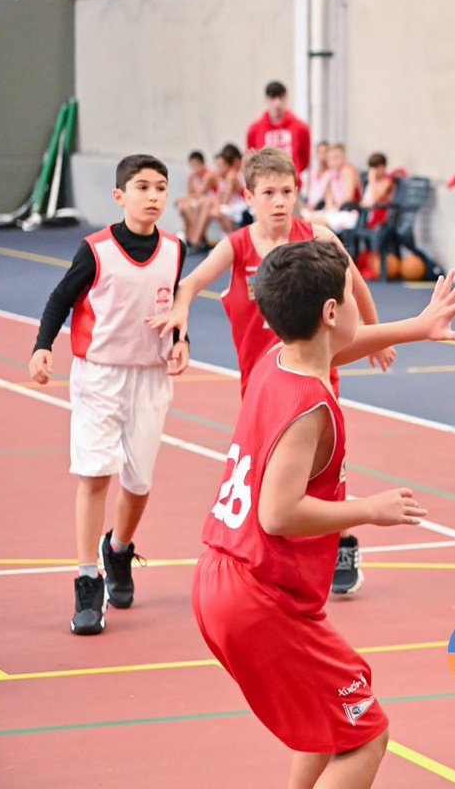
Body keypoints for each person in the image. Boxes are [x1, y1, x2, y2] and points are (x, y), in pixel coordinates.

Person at [192, 240, 455, 789]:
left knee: (331, 724)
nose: (354, 307)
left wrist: (417, 327)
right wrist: (369, 509)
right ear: (329, 312)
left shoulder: (279, 359)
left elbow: (336, 348)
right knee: (366, 735)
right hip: (258, 596)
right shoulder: (309, 409)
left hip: (226, 579)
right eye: (349, 296)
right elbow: (278, 514)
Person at [150, 147, 395, 596]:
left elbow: (356, 284)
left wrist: (377, 333)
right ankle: (276, 550)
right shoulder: (237, 246)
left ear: (297, 192)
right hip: (262, 383)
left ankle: (342, 540)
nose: (279, 201)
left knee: (323, 470)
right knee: (270, 474)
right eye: (268, 193)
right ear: (248, 197)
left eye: (286, 191)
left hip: (316, 375)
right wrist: (180, 317)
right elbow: (190, 283)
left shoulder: (317, 237)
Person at [28, 154, 191, 635]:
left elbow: (174, 306)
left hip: (151, 377)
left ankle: (118, 548)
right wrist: (42, 346)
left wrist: (181, 341)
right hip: (99, 376)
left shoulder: (175, 249)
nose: (153, 196)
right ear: (120, 196)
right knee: (96, 474)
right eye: (142, 187)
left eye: (160, 187)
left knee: (138, 483)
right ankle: (87, 580)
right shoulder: (95, 250)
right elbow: (60, 298)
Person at [246, 80, 311, 180]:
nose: (277, 103)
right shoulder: (254, 130)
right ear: (266, 100)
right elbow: (251, 160)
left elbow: (305, 160)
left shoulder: (301, 128)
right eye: (272, 98)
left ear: (286, 99)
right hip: (265, 183)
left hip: (292, 183)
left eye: (281, 98)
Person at [176, 150, 216, 246]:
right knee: (183, 207)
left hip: (209, 201)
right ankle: (192, 236)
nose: (194, 168)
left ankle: (195, 238)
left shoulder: (209, 175)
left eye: (196, 165)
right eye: (192, 166)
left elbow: (200, 193)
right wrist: (190, 180)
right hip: (199, 200)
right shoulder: (193, 176)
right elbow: (191, 192)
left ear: (202, 163)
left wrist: (185, 198)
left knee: (199, 205)